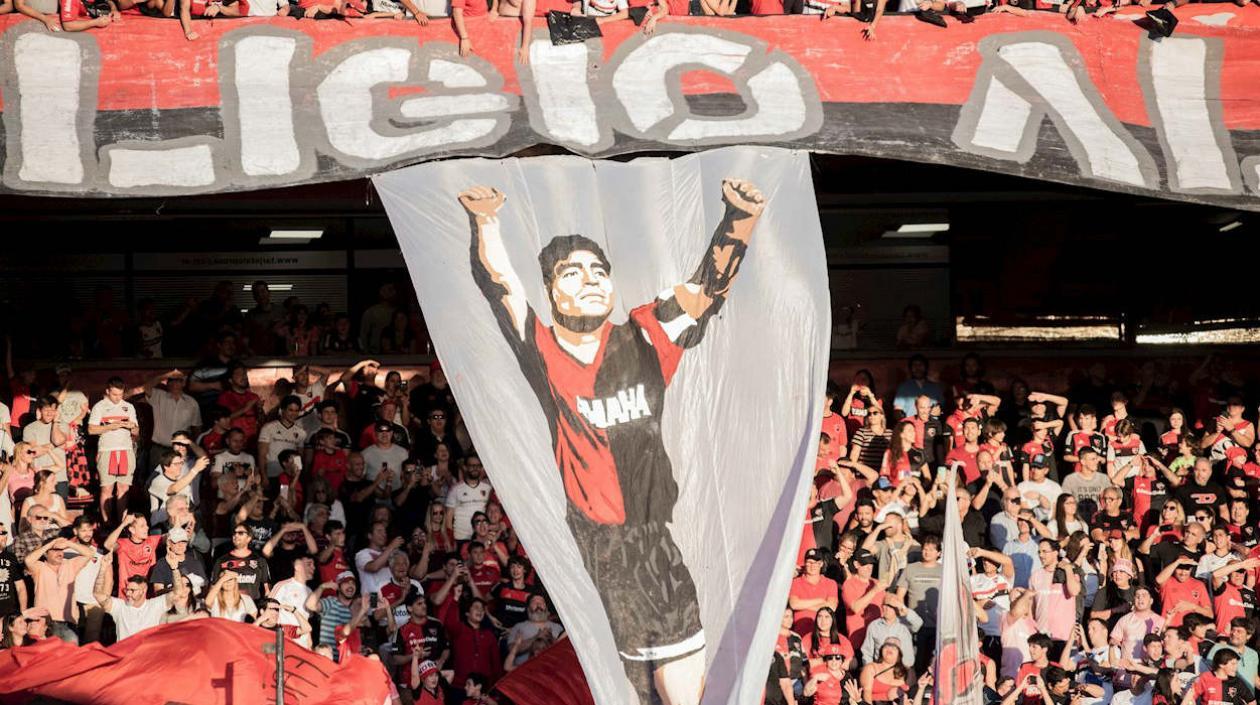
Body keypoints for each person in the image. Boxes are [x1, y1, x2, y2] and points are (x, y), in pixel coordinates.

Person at [88, 376, 139, 523]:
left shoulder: (129, 407)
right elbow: (91, 430)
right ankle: (106, 524)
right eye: (114, 394)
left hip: (126, 450)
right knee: (107, 489)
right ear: (107, 391)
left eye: (120, 394)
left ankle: (122, 525)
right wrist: (112, 426)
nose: (117, 398)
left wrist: (133, 427)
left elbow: (136, 432)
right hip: (107, 451)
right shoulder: (100, 406)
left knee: (123, 490)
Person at [92, 557, 175, 641]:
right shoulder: (119, 607)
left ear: (143, 591)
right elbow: (97, 594)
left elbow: (179, 593)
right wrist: (102, 568)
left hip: (147, 653)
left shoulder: (156, 605)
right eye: (127, 590)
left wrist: (174, 569)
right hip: (125, 653)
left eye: (132, 590)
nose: (127, 593)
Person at [24, 537, 88, 643]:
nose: (59, 553)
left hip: (69, 623)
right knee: (47, 658)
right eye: (55, 550)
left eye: (61, 550)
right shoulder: (39, 567)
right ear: (45, 553)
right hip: (45, 623)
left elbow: (89, 554)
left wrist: (68, 543)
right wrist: (50, 544)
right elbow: (28, 560)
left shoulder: (70, 564)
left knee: (71, 657)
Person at [212, 522, 272, 601]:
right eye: (234, 533)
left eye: (240, 533)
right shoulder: (221, 560)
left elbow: (267, 590)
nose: (236, 535)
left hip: (252, 608)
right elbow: (213, 587)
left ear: (249, 538)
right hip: (229, 607)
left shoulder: (260, 560)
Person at [259, 395, 308, 480]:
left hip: (290, 474)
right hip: (272, 473)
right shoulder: (268, 428)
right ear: (282, 410)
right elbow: (262, 455)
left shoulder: (301, 433)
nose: (294, 414)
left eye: (296, 411)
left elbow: (298, 457)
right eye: (290, 410)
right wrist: (263, 476)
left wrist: (296, 479)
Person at [445, 456, 492, 542]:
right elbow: (448, 517)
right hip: (460, 537)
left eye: (478, 466)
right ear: (465, 467)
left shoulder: (488, 488)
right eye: (472, 465)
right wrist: (450, 539)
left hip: (482, 538)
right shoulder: (455, 489)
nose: (475, 468)